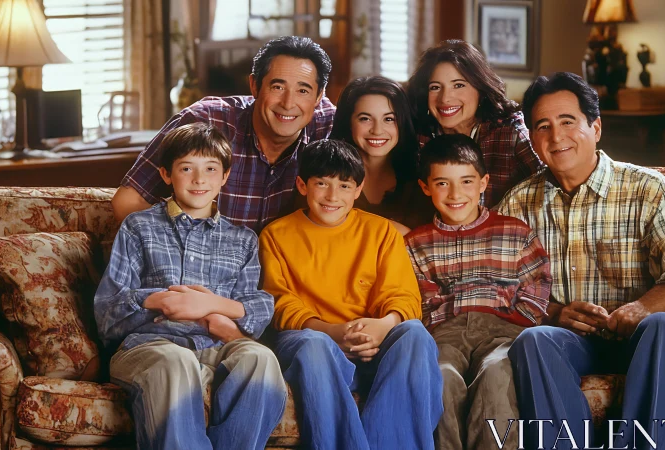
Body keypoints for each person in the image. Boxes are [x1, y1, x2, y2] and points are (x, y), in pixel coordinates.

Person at [496, 72, 665, 450]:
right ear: (533, 140)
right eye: (543, 126)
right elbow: (498, 287)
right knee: (533, 341)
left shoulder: (647, 188)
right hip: (571, 341)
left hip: (644, 338)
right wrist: (551, 313)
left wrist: (641, 308)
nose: (556, 136)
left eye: (568, 121)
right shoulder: (518, 204)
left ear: (595, 127)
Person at [94, 123, 287, 450]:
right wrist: (159, 299)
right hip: (150, 346)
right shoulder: (139, 227)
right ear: (167, 174)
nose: (200, 180)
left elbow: (259, 306)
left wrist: (212, 305)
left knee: (260, 358)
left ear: (225, 177)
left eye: (211, 169)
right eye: (187, 168)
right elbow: (106, 313)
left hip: (215, 345)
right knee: (176, 361)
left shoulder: (242, 240)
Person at [259, 139, 443, 450]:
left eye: (344, 186)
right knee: (314, 346)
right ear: (302, 185)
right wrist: (332, 332)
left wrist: (382, 326)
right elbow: (279, 303)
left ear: (358, 190)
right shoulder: (276, 234)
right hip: (310, 336)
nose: (333, 196)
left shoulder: (381, 232)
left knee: (414, 333)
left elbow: (403, 295)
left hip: (373, 339)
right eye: (322, 184)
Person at [405, 133, 551, 450]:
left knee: (497, 375)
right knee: (440, 378)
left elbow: (536, 285)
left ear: (483, 182)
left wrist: (517, 319)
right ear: (425, 187)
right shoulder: (415, 243)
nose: (455, 193)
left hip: (504, 331)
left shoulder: (515, 231)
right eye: (442, 183)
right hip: (445, 334)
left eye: (467, 181)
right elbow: (415, 298)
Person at [112, 36, 336, 233]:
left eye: (303, 91)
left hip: (286, 276)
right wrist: (183, 254)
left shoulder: (330, 126)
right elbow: (128, 201)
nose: (288, 103)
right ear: (254, 85)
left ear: (319, 97)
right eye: (277, 87)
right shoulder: (205, 121)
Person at [407, 39, 544, 209]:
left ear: (481, 89)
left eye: (458, 85)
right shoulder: (420, 136)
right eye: (435, 87)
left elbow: (547, 190)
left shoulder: (511, 133)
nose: (445, 98)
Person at [329, 76, 433, 232]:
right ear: (348, 123)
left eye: (389, 119)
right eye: (365, 119)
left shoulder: (423, 177)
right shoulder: (325, 173)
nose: (377, 130)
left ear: (402, 123)